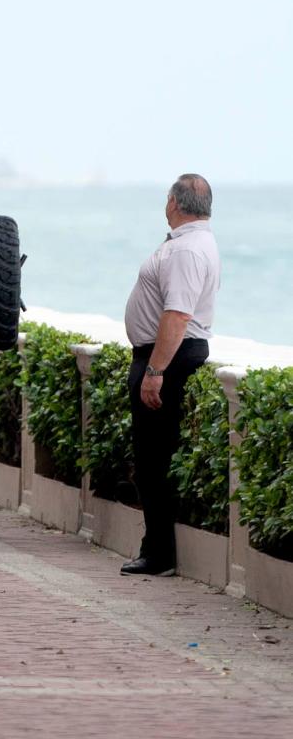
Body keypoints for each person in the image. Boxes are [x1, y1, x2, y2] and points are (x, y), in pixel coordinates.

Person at [120, 174, 220, 577]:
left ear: (174, 204)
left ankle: (158, 554)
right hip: (164, 354)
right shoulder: (193, 243)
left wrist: (155, 371)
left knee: (153, 459)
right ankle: (155, 548)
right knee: (151, 457)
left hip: (168, 357)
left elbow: (177, 315)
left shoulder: (187, 251)